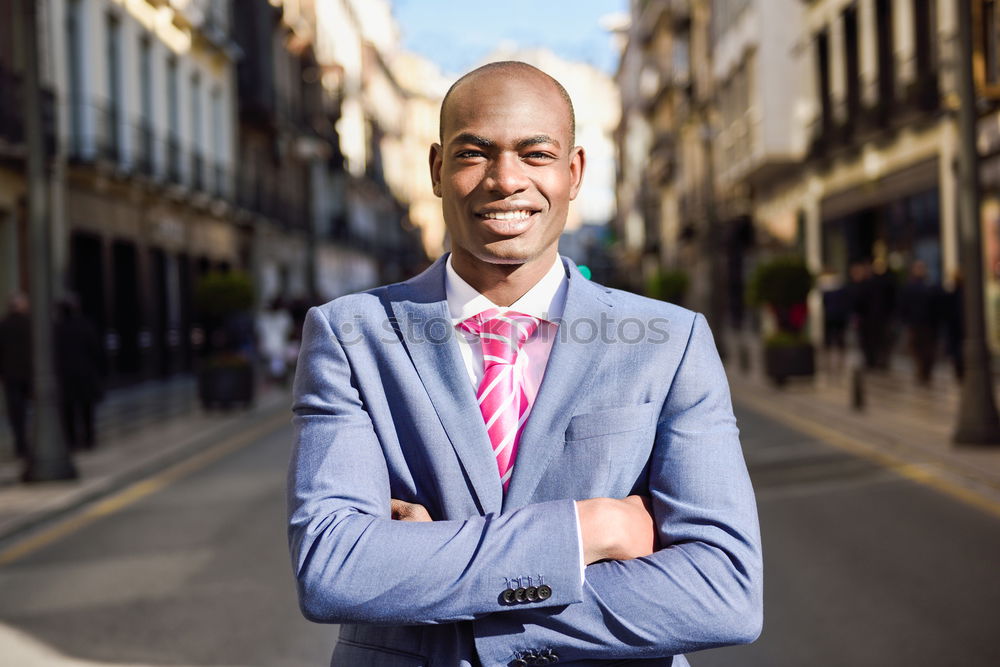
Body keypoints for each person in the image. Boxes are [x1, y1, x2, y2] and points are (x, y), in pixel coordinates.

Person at [288, 62, 762, 666]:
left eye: (535, 153)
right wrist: (584, 531)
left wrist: (429, 575)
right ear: (437, 169)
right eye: (474, 153)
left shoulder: (670, 340)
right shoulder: (349, 335)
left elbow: (725, 592)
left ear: (574, 172)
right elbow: (334, 569)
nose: (505, 179)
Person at [54, 295, 103, 451]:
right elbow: (96, 350)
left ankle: (72, 441)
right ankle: (89, 439)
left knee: (68, 410)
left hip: (65, 375)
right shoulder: (85, 326)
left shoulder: (58, 328)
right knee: (86, 409)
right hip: (85, 374)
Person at [0, 292, 32, 459]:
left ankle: (21, 443)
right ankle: (26, 441)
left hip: (11, 376)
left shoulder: (3, 325)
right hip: (28, 375)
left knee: (17, 412)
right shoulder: (30, 324)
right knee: (29, 410)